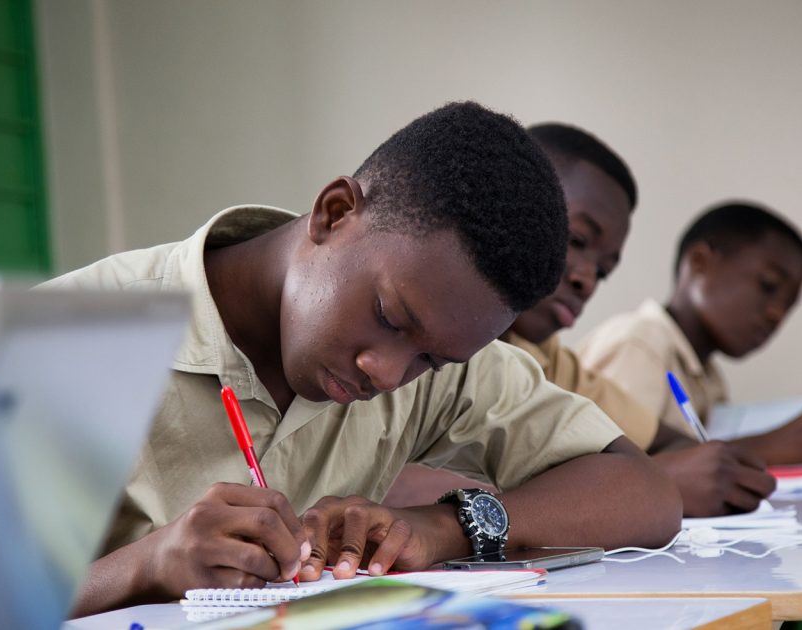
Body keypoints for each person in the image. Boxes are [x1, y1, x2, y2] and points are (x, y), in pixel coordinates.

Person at [41, 102, 681, 616]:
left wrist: (446, 527)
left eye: (429, 359)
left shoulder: (442, 342)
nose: (388, 373)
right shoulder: (78, 333)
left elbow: (646, 492)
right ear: (335, 212)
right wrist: (148, 565)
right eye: (388, 317)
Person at [384, 124, 776, 518]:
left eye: (603, 271)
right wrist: (639, 486)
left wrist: (635, 479)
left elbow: (670, 446)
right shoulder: (421, 341)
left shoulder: (547, 359)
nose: (586, 279)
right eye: (577, 241)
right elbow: (391, 486)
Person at [577, 201, 802, 466]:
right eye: (768, 286)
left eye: (789, 305)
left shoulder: (708, 375)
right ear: (700, 262)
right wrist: (766, 448)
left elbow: (699, 449)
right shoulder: (640, 344)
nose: (777, 314)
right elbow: (608, 472)